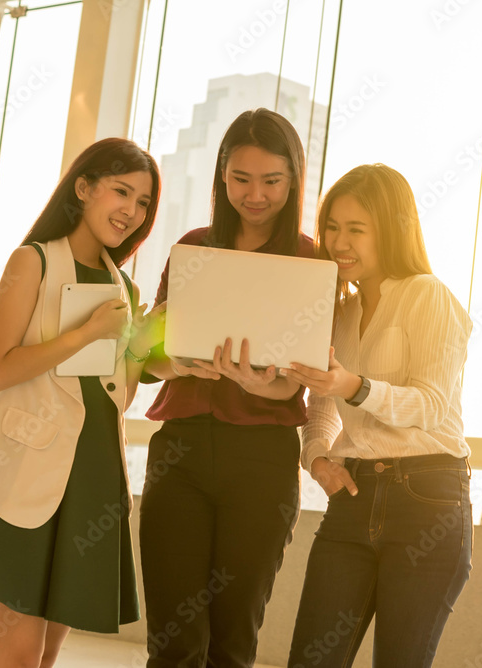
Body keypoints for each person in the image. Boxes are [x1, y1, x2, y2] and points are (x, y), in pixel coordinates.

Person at [0, 138, 164, 667]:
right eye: (121, 191)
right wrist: (86, 333)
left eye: (144, 201)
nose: (132, 210)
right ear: (83, 188)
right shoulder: (31, 262)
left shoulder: (121, 287)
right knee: (17, 651)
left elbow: (115, 398)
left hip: (93, 477)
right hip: (27, 474)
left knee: (47, 656)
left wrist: (141, 346)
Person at [138, 108, 311, 667]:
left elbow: (298, 385)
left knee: (233, 639)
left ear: (294, 181)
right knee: (172, 639)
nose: (254, 194)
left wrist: (266, 384)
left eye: (271, 181)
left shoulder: (309, 260)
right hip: (181, 451)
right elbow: (146, 362)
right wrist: (176, 359)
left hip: (262, 461)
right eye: (240, 179)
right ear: (220, 177)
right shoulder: (191, 249)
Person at [284, 163, 474, 667]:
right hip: (353, 496)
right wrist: (317, 457)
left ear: (390, 230)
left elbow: (432, 406)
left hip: (426, 498)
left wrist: (356, 386)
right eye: (332, 227)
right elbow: (321, 405)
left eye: (356, 229)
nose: (338, 242)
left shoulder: (427, 296)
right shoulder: (339, 313)